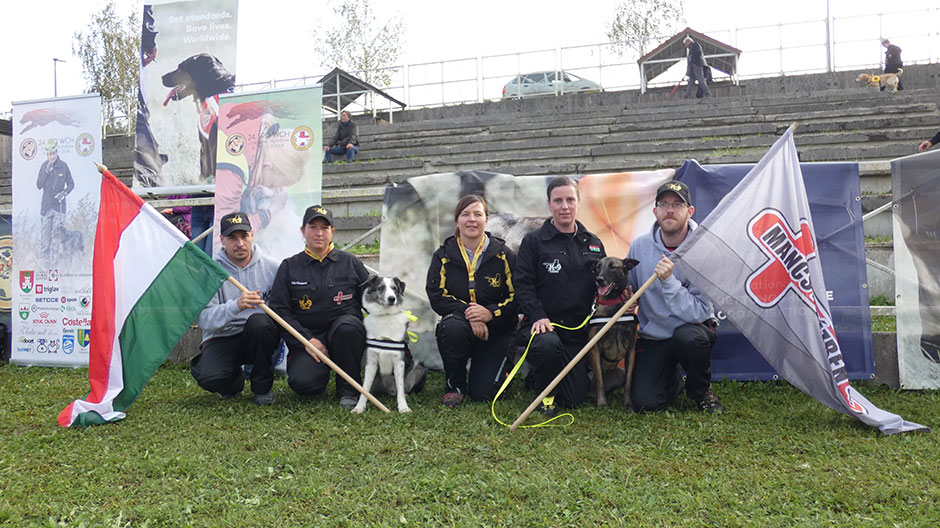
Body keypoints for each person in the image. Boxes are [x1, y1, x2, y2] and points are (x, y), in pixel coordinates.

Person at [626, 181, 723, 414]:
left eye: (677, 204)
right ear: (655, 211)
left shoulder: (704, 249)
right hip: (655, 336)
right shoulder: (640, 246)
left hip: (692, 329)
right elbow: (630, 289)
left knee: (689, 338)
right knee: (646, 403)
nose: (670, 210)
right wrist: (626, 300)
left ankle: (701, 391)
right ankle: (672, 378)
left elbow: (700, 311)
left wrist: (669, 282)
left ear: (690, 211)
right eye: (664, 204)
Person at [516, 176, 606, 417]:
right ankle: (543, 391)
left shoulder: (593, 243)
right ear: (549, 204)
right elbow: (522, 284)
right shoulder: (534, 241)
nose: (564, 206)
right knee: (547, 345)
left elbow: (604, 285)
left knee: (573, 399)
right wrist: (537, 315)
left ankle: (541, 376)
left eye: (569, 200)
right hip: (544, 326)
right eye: (558, 201)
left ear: (578, 202)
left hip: (577, 333)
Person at [269, 205, 369, 409]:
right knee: (303, 384)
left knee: (348, 326)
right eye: (312, 227)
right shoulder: (289, 267)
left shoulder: (350, 262)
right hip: (309, 339)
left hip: (344, 334)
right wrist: (306, 339)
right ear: (302, 231)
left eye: (325, 227)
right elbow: (280, 311)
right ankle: (319, 374)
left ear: (333, 231)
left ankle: (348, 389)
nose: (319, 233)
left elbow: (372, 299)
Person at [426, 195, 518, 408]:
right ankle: (454, 386)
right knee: (450, 327)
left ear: (487, 220)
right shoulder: (443, 256)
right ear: (457, 221)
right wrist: (471, 313)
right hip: (460, 325)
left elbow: (517, 298)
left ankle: (498, 369)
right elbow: (437, 296)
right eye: (465, 214)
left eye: (478, 214)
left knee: (484, 395)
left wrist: (490, 313)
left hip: (497, 330)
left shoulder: (505, 255)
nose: (472, 220)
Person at [191, 212, 280, 405]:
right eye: (232, 238)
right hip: (223, 336)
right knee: (210, 378)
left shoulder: (273, 268)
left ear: (252, 235)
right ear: (222, 239)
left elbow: (283, 312)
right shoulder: (210, 272)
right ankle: (233, 379)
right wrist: (236, 305)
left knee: (259, 323)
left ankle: (262, 389)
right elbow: (204, 319)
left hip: (260, 336)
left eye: (244, 236)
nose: (239, 243)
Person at [36, 139, 74, 265]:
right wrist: (46, 172)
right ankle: (45, 268)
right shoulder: (43, 166)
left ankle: (55, 270)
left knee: (56, 240)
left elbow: (71, 184)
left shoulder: (63, 166)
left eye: (53, 153)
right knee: (45, 240)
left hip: (59, 208)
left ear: (57, 152)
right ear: (47, 154)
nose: (51, 156)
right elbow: (39, 185)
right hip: (46, 207)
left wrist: (64, 193)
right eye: (49, 154)